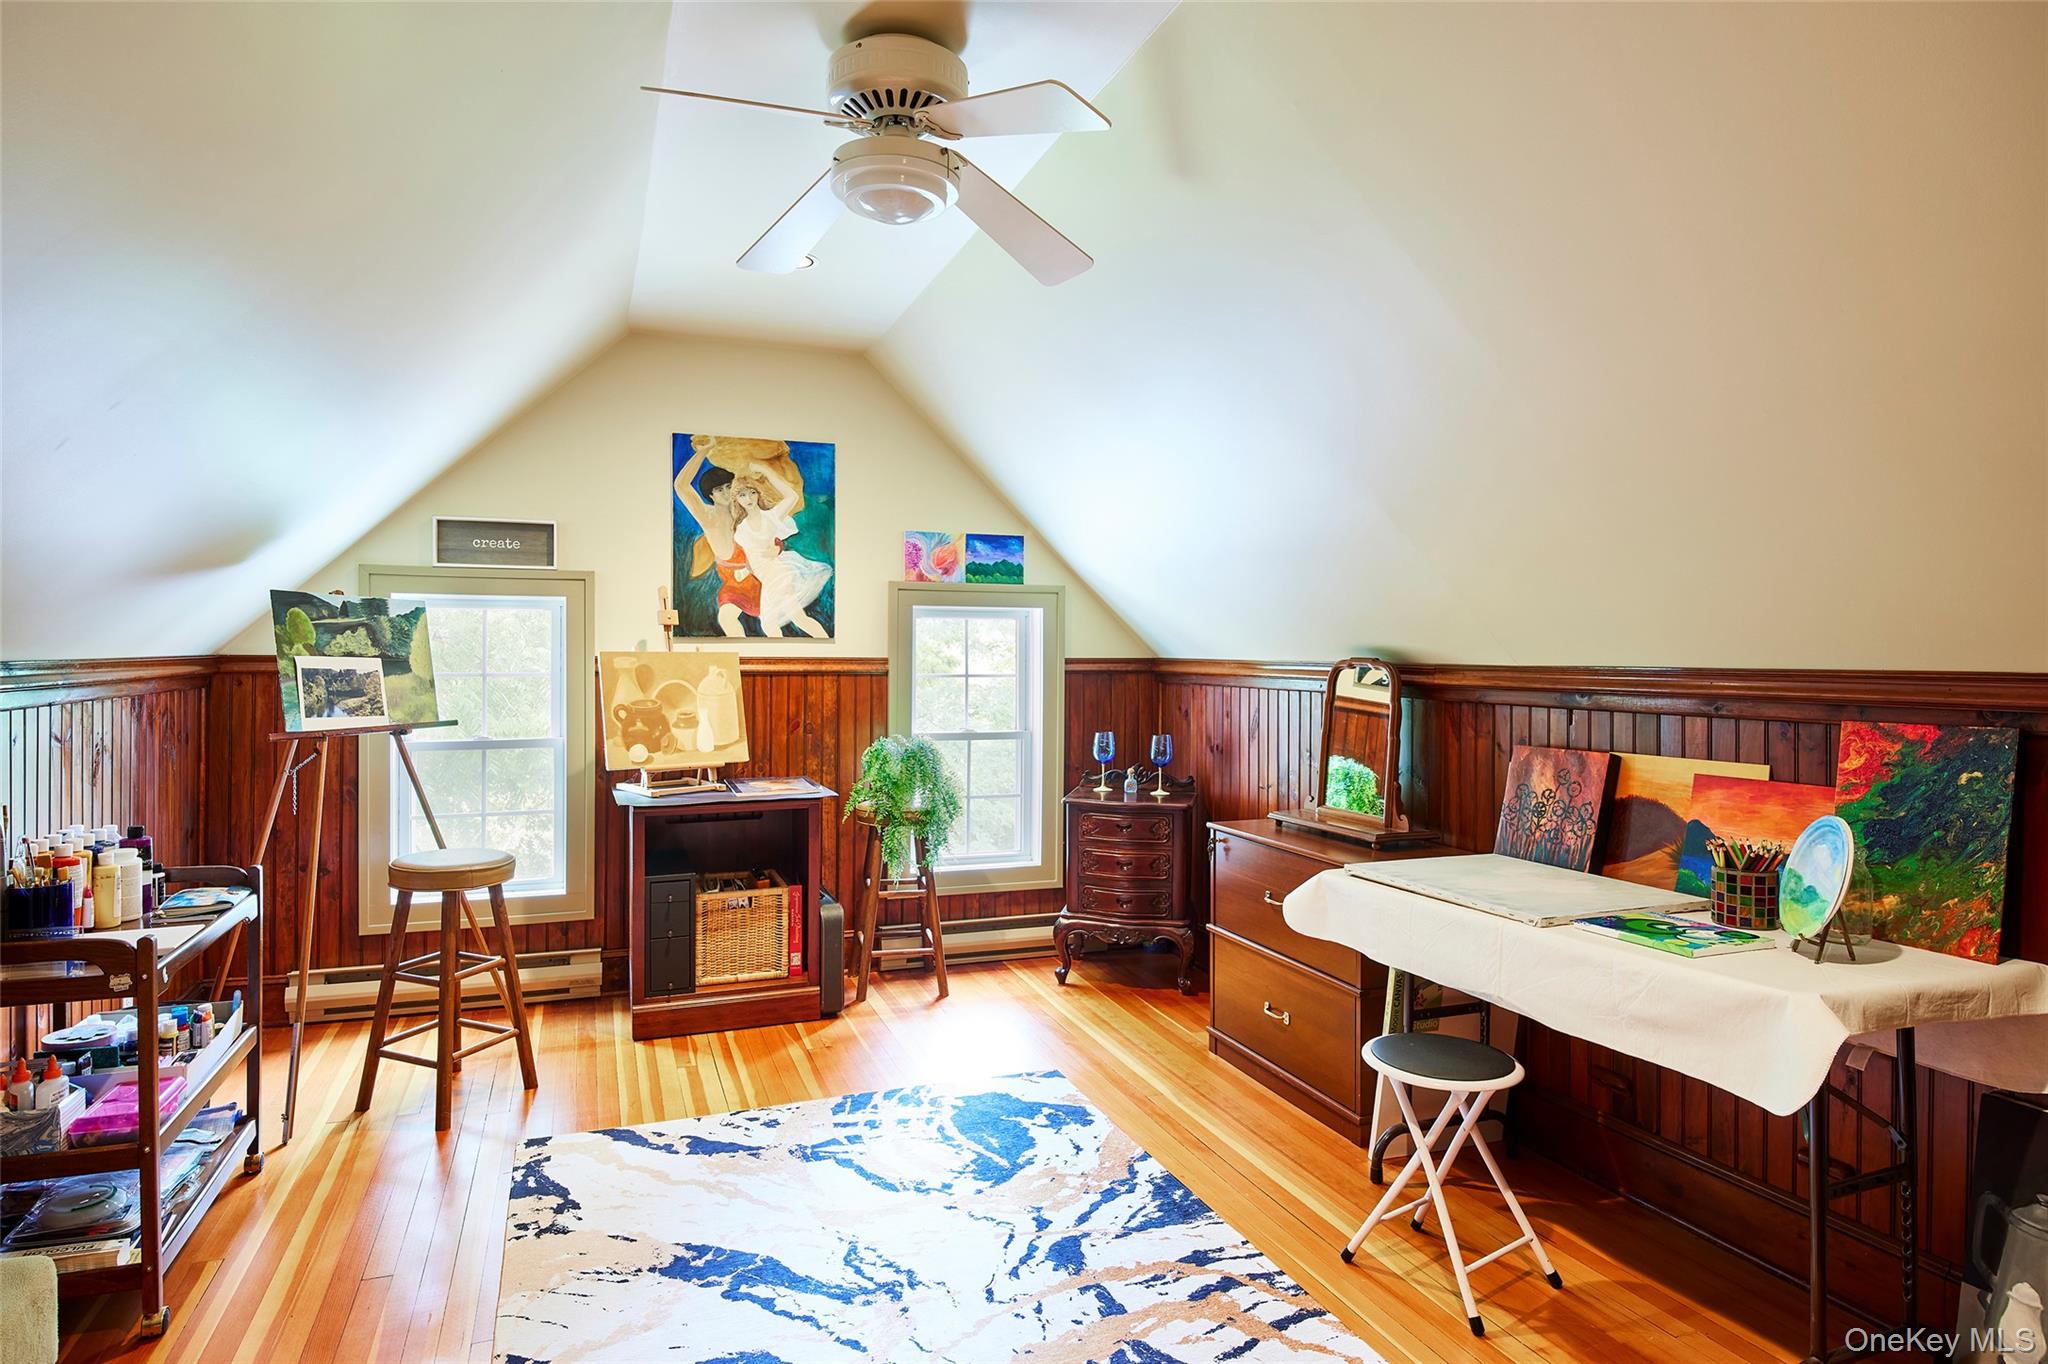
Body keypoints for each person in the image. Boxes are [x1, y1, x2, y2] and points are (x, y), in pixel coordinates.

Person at [731, 461, 830, 638]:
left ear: (758, 494)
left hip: (778, 572)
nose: (749, 498)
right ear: (736, 499)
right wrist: (746, 571)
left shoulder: (771, 517)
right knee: (794, 619)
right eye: (743, 495)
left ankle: (823, 651)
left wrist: (764, 470)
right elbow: (754, 558)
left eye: (752, 493)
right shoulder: (741, 529)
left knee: (772, 623)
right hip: (768, 575)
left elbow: (791, 497)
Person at [673, 447, 755, 637]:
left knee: (778, 619)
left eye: (728, 487)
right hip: (733, 583)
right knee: (726, 618)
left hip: (758, 576)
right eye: (719, 490)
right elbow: (681, 486)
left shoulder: (746, 511)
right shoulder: (707, 516)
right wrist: (703, 451)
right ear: (711, 496)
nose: (726, 493)